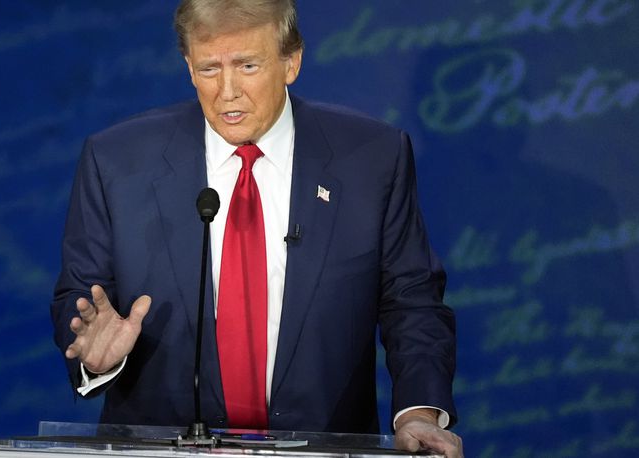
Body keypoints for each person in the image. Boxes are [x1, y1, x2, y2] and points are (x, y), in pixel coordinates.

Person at [51, 0, 462, 456]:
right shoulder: (116, 162)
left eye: (247, 65)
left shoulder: (372, 158)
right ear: (188, 67)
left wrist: (419, 412)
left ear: (292, 61)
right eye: (209, 68)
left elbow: (413, 302)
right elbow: (80, 297)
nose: (227, 91)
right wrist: (94, 355)